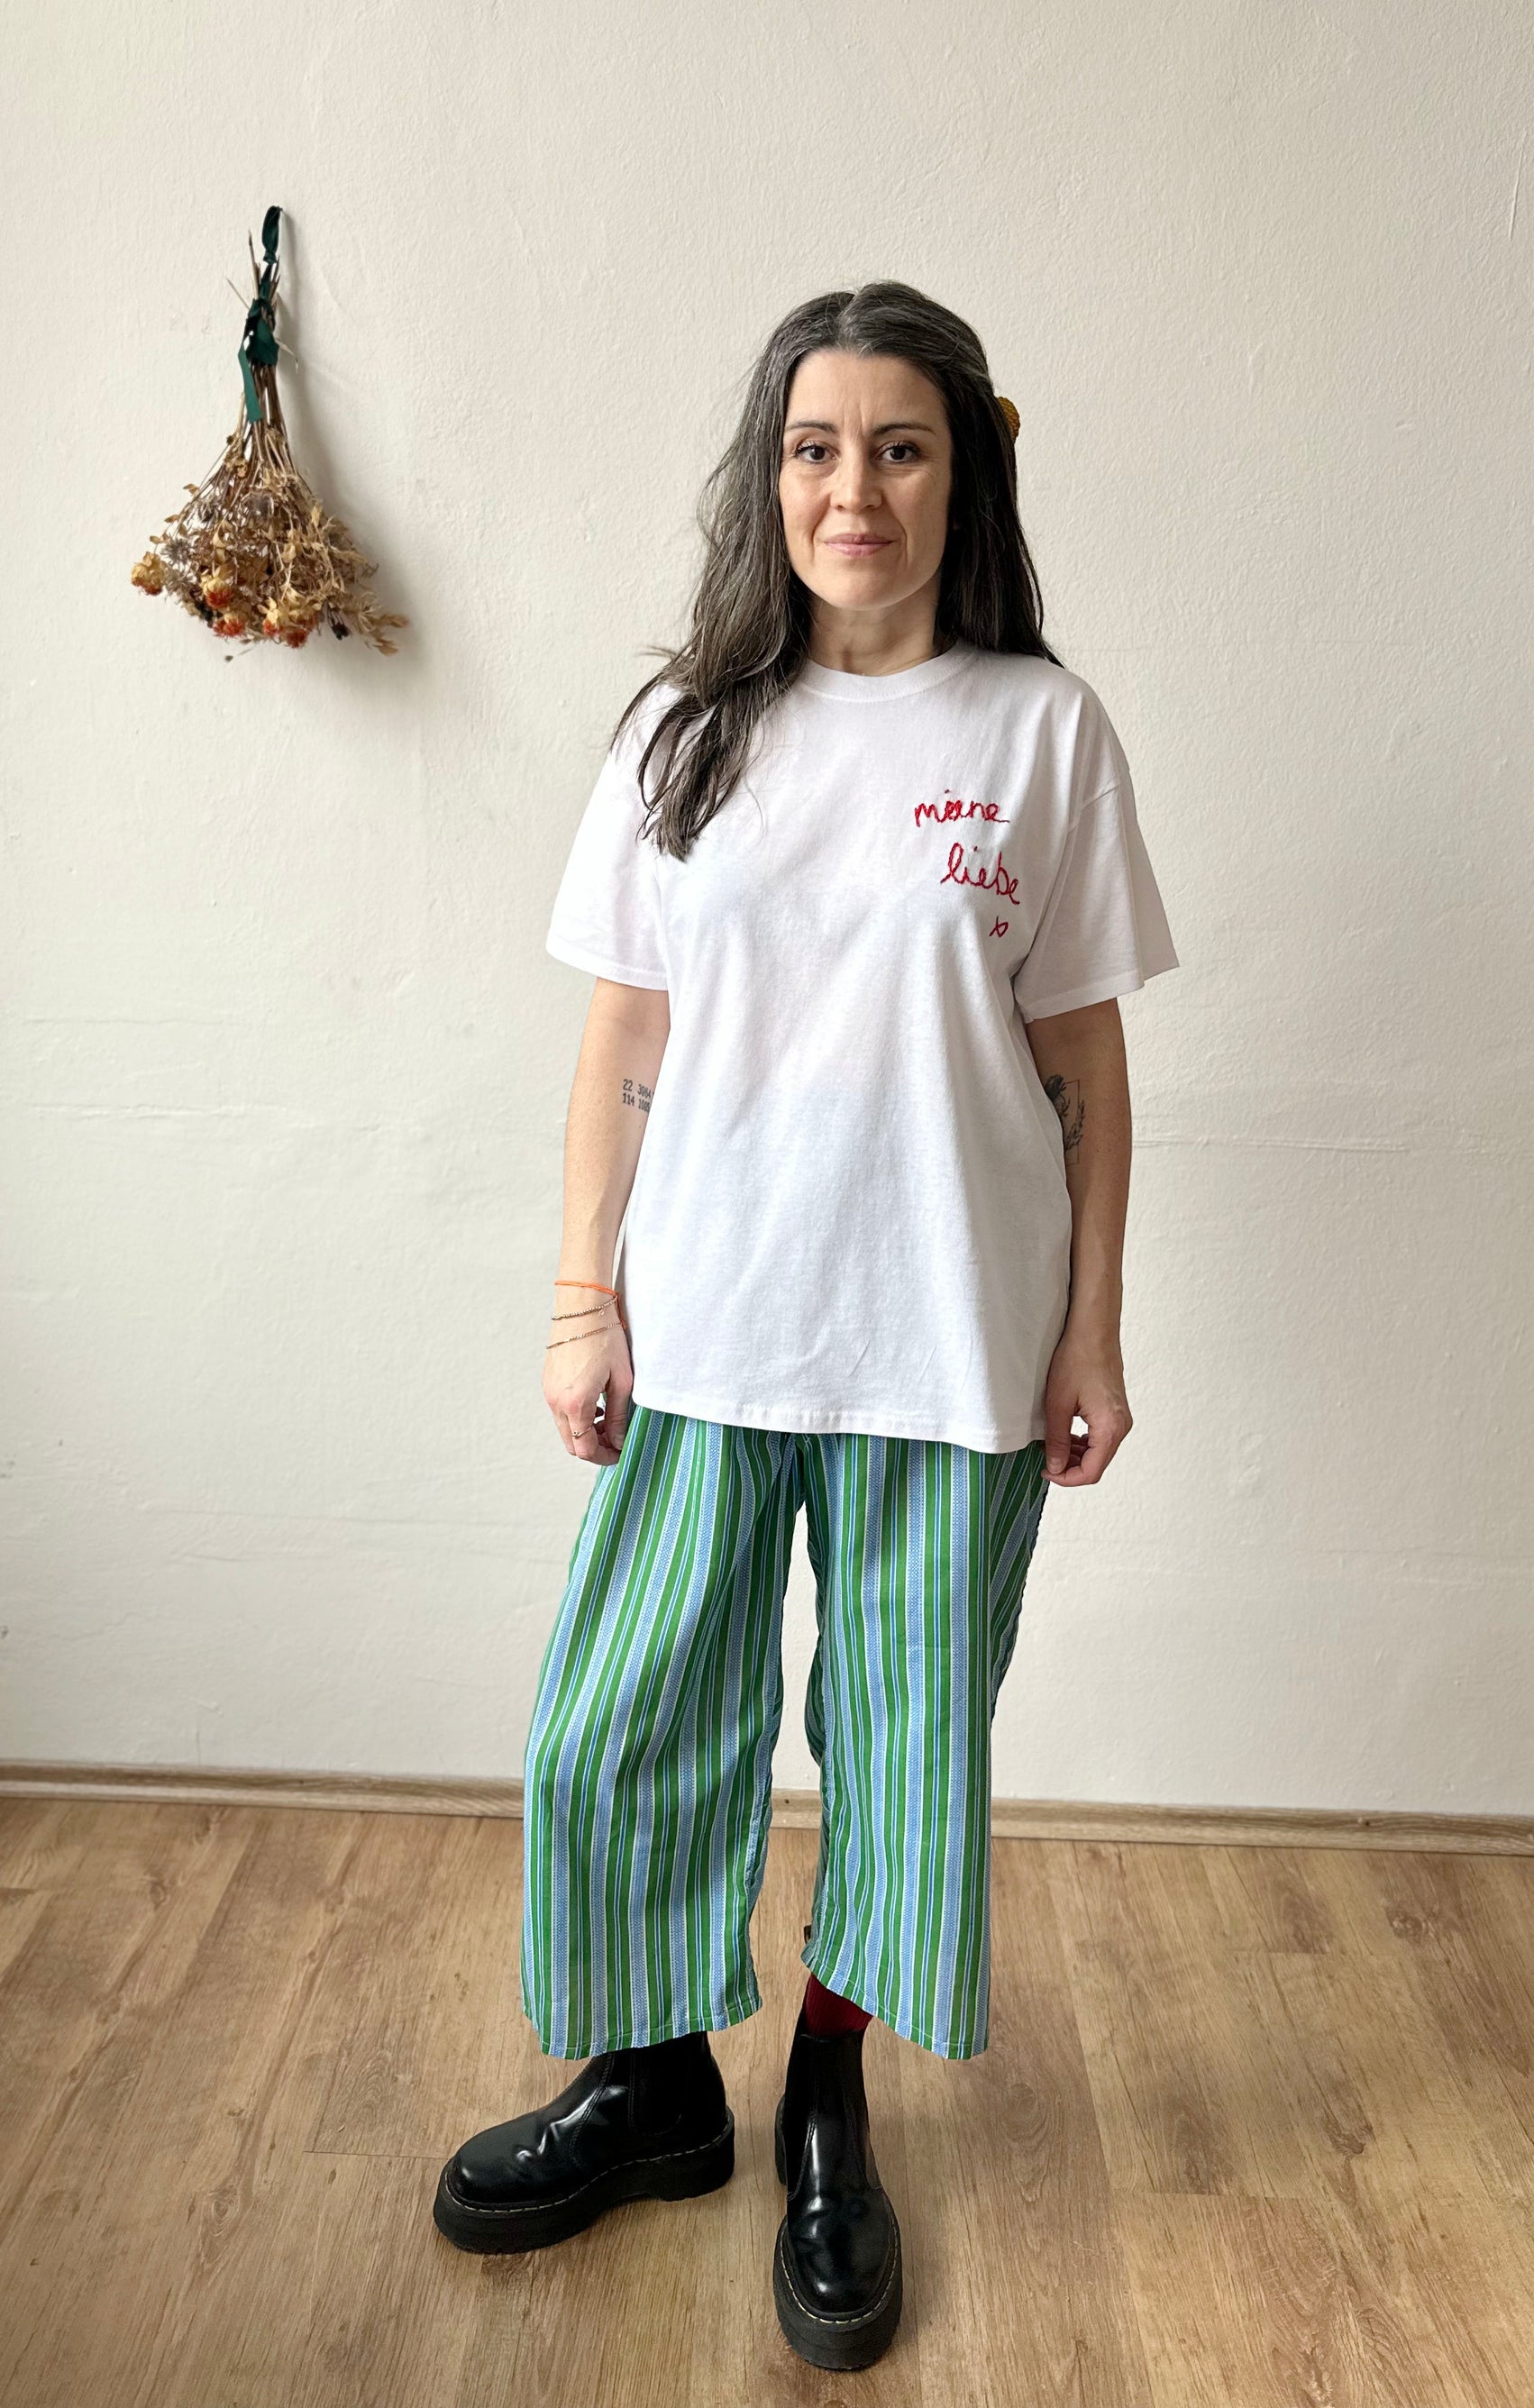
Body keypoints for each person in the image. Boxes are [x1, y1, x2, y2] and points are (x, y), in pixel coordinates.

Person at [430, 281, 1179, 2371]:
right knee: (620, 1729)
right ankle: (655, 2083)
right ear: (771, 478)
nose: (856, 487)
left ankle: (827, 2101)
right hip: (707, 1333)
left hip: (953, 1343)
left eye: (903, 446)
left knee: (905, 1754)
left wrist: (1092, 1330)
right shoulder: (688, 732)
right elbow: (622, 1040)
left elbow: (1089, 1076)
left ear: (966, 473)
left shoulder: (1041, 731)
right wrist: (581, 1295)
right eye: (817, 447)